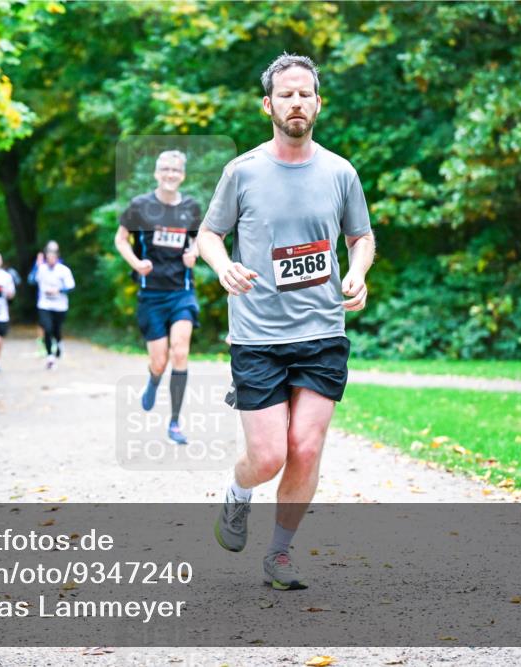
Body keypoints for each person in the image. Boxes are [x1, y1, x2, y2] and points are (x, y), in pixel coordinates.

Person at [197, 53, 376, 590]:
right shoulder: (242, 171)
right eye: (286, 94)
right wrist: (223, 264)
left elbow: (359, 237)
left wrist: (359, 273)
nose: (296, 102)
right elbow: (209, 234)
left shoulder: (340, 171)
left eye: (305, 94)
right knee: (269, 455)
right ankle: (237, 493)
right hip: (257, 336)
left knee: (306, 447)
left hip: (322, 331)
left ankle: (279, 554)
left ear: (318, 103)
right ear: (268, 105)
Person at [114, 150, 202, 445]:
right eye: (165, 169)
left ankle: (175, 423)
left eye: (175, 170)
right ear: (156, 173)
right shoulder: (141, 206)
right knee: (160, 360)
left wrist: (194, 253)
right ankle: (153, 379)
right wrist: (136, 264)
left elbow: (198, 240)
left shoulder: (191, 207)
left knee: (180, 352)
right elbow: (120, 239)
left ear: (182, 175)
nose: (170, 174)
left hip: (181, 292)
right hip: (151, 294)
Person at [31, 241, 75, 369]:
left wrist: (59, 290)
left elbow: (71, 286)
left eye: (53, 257)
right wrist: (36, 266)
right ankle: (50, 357)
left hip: (60, 306)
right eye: (48, 257)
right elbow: (32, 280)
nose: (50, 259)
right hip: (44, 305)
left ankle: (59, 344)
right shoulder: (41, 268)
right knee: (47, 329)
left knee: (56, 329)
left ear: (57, 257)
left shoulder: (64, 270)